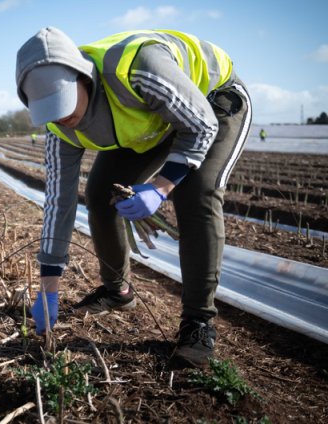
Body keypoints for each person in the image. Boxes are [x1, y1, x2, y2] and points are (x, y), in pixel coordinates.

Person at [16, 27, 252, 367]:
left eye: (65, 104)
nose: (63, 118)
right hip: (154, 121)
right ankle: (118, 291)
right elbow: (58, 203)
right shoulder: (59, 130)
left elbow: (200, 127)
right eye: (49, 110)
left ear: (84, 78)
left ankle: (198, 322)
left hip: (214, 104)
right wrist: (49, 287)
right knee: (99, 194)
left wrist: (160, 187)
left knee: (196, 194)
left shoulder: (137, 68)